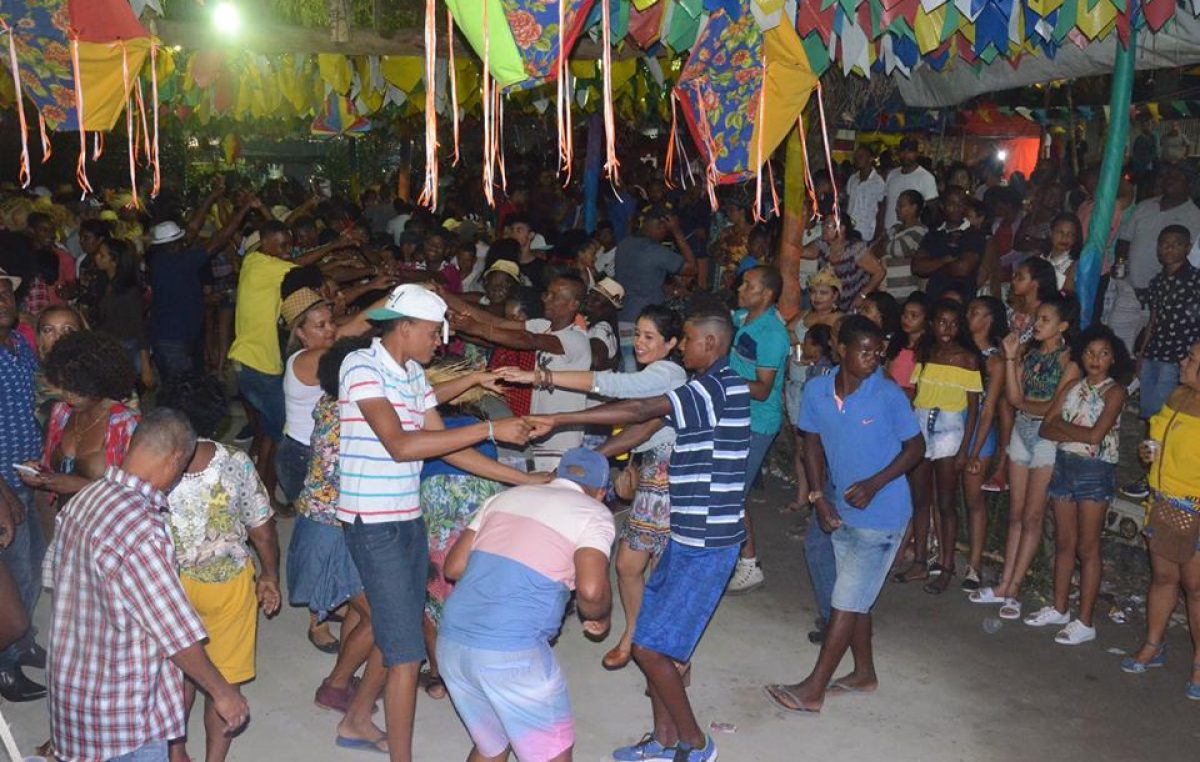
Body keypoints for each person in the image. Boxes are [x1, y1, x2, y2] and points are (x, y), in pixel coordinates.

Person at [527, 308, 750, 762]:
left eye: (687, 339)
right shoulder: (706, 388)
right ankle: (664, 742)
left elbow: (643, 408)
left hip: (707, 542)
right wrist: (590, 463)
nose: (683, 347)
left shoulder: (717, 387)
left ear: (709, 343)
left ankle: (696, 744)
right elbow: (648, 424)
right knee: (651, 636)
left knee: (649, 648)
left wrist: (563, 421)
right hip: (688, 534)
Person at [334, 284, 543, 762]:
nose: (439, 343)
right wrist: (492, 427)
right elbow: (402, 444)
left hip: (407, 515)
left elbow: (449, 443)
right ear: (403, 328)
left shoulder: (409, 372)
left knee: (401, 628)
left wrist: (523, 480)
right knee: (407, 654)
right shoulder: (360, 366)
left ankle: (356, 717)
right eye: (433, 333)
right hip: (373, 521)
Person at [44, 408, 250, 762]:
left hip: (73, 695)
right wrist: (223, 692)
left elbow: (54, 581)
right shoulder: (142, 528)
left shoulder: (83, 501)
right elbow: (174, 632)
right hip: (122, 714)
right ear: (173, 460)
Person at [496, 305, 686, 672]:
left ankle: (671, 656)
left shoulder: (669, 373)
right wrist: (593, 458)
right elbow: (636, 425)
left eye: (650, 338)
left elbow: (614, 387)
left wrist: (538, 377)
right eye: (639, 336)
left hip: (673, 480)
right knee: (629, 566)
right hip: (652, 478)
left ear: (671, 343)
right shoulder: (655, 373)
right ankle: (635, 634)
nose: (640, 345)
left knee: (659, 573)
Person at [765, 316, 924, 713]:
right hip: (840, 507)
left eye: (878, 352)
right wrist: (819, 496)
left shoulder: (887, 395)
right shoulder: (818, 390)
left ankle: (813, 689)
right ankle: (864, 673)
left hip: (883, 514)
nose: (873, 358)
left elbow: (916, 448)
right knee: (857, 600)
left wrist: (875, 483)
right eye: (865, 351)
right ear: (842, 350)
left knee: (845, 599)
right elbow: (812, 444)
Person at [437, 448, 616, 762]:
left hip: (452, 642)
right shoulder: (593, 512)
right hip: (512, 653)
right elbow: (590, 590)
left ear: (556, 476)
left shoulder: (504, 498)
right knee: (550, 753)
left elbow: (453, 567)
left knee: (491, 745)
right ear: (600, 492)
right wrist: (599, 616)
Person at [158, 376, 281, 762]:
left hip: (168, 585)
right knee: (224, 681)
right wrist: (269, 575)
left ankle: (176, 753)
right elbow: (262, 529)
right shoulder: (235, 462)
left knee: (179, 674)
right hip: (226, 584)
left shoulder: (154, 465)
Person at [285, 337, 387, 749]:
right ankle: (338, 688)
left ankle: (340, 685)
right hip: (335, 529)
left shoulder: (331, 404)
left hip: (328, 524)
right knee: (385, 617)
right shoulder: (351, 414)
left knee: (362, 611)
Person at [970, 295, 1080, 621]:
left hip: (1046, 438)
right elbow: (1015, 398)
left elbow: (1052, 411)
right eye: (1038, 319)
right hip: (1022, 430)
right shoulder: (1028, 355)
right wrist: (1009, 357)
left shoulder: (1070, 361)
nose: (1037, 325)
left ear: (1062, 327)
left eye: (1045, 319)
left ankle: (1015, 587)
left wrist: (1028, 405)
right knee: (1016, 514)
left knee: (1032, 517)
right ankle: (1005, 583)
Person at [1035, 325, 1130, 645]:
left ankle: (1085, 620)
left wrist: (1065, 428)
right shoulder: (1072, 386)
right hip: (1064, 466)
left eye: (1103, 353)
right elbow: (1045, 429)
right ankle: (1060, 607)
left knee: (1088, 547)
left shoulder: (1115, 392)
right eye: (1090, 352)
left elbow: (1095, 436)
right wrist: (1073, 431)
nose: (1095, 358)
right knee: (1065, 542)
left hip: (1095, 470)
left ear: (1113, 358)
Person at [446, 276, 592, 471]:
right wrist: (444, 295)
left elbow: (529, 340)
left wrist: (475, 328)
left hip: (561, 439)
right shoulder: (544, 326)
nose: (546, 299)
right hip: (538, 431)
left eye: (555, 296)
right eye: (547, 293)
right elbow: (494, 321)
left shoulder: (576, 339)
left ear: (574, 304)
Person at [1121, 340, 1200, 700]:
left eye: (1192, 358)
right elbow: (1156, 439)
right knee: (1164, 578)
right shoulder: (1177, 397)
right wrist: (1148, 451)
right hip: (1163, 502)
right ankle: (1155, 644)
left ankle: (1199, 663)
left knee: (1195, 588)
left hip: (1194, 510)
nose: (1183, 361)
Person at [893, 300, 981, 593]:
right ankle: (920, 561)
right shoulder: (927, 353)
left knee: (945, 502)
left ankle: (946, 566)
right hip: (920, 424)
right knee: (920, 499)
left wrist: (965, 450)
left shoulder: (967, 358)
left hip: (949, 429)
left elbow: (973, 408)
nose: (947, 328)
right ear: (933, 324)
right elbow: (916, 393)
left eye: (954, 323)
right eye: (942, 322)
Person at [1123, 225, 1200, 500]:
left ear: (1188, 248)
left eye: (1176, 244)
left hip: (1179, 358)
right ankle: (1151, 473)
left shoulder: (1195, 280)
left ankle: (1157, 477)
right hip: (1155, 353)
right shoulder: (1157, 281)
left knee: (1166, 416)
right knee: (1151, 418)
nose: (1169, 249)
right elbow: (1152, 319)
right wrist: (1142, 353)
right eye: (1164, 244)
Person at [728, 266, 791, 594]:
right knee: (727, 489)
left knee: (733, 493)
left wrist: (721, 381)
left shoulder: (772, 335)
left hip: (757, 422)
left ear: (766, 295)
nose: (740, 288)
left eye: (748, 285)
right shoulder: (743, 318)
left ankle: (748, 562)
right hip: (737, 415)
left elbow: (763, 389)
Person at [0, 268, 46, 703]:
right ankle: (6, 665)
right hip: (4, 486)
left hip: (29, 475)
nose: (4, 300)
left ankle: (23, 641)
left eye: (6, 293)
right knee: (12, 578)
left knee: (31, 568)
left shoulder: (19, 344)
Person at [1110, 163, 1200, 359]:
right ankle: (1118, 383)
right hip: (1131, 288)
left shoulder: (1195, 217)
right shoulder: (1145, 206)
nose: (1170, 180)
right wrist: (1122, 267)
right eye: (1168, 176)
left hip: (1166, 297)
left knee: (1149, 347)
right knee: (1116, 341)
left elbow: (1192, 261)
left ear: (1189, 186)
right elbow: (1125, 240)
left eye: (1177, 178)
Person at [784, 268, 843, 514]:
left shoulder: (839, 320)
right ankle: (803, 496)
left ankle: (821, 501)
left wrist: (813, 359)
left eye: (824, 292)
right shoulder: (803, 316)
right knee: (801, 446)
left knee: (819, 447)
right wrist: (799, 349)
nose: (818, 297)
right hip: (797, 384)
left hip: (821, 387)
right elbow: (788, 332)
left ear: (835, 296)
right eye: (814, 292)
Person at [961, 296, 1008, 591]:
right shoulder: (959, 349)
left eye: (975, 312)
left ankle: (974, 565)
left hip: (979, 430)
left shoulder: (994, 361)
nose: (969, 317)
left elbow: (989, 409)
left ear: (989, 319)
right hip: (953, 426)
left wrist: (975, 450)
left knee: (973, 499)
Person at [614, 208, 697, 371]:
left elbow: (640, 277)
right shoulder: (656, 251)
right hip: (648, 319)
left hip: (623, 315)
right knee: (646, 366)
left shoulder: (624, 244)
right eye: (666, 230)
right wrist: (677, 232)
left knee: (628, 359)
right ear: (661, 227)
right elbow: (692, 268)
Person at [92, 237, 153, 391]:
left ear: (114, 261)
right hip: (108, 345)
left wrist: (146, 367)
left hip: (125, 348)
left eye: (102, 255)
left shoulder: (128, 292)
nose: (96, 257)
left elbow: (139, 328)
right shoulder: (105, 282)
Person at [912, 187, 987, 302]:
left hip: (961, 301)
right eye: (952, 204)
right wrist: (944, 261)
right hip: (934, 298)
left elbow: (963, 268)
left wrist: (932, 265)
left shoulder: (974, 234)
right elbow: (917, 267)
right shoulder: (933, 234)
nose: (957, 208)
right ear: (942, 206)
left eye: (961, 204)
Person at [804, 217, 883, 311]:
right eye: (823, 225)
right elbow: (802, 252)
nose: (823, 228)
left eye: (828, 225)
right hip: (832, 304)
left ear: (841, 228)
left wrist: (862, 295)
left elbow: (880, 272)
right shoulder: (823, 244)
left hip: (855, 304)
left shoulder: (855, 249)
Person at [878, 137, 938, 235]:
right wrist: (880, 228)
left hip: (911, 236)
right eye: (903, 151)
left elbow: (933, 210)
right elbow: (884, 204)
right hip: (888, 232)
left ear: (916, 154)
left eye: (910, 151)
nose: (905, 155)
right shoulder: (892, 174)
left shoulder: (926, 178)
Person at [846, 145, 887, 242]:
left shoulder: (878, 182)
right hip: (850, 230)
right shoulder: (852, 179)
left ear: (871, 158)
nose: (857, 159)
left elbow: (881, 210)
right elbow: (848, 203)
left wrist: (878, 234)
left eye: (861, 156)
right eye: (856, 157)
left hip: (866, 232)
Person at [1043, 212, 1083, 293]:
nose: (1064, 237)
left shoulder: (1074, 266)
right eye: (1060, 232)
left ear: (1075, 238)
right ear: (1051, 233)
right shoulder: (1040, 259)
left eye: (1070, 234)